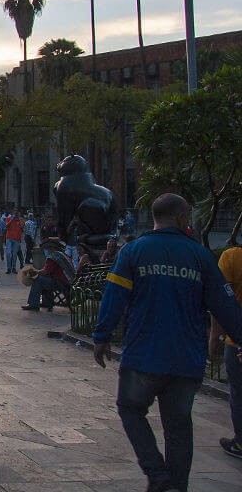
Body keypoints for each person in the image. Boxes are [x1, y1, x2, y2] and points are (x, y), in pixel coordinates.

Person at [93, 193, 242, 492]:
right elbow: (225, 305)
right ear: (182, 216)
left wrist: (101, 337)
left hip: (143, 356)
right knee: (178, 426)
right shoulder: (200, 257)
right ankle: (176, 486)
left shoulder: (133, 251)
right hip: (186, 360)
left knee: (130, 409)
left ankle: (158, 478)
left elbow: (114, 297)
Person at [211, 244, 242, 460]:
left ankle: (240, 442)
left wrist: (214, 336)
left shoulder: (232, 257)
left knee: (239, 393)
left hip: (237, 340)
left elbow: (221, 300)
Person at [21, 238, 70, 312]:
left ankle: (33, 304)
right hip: (65, 281)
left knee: (37, 280)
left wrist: (35, 272)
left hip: (60, 282)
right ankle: (47, 302)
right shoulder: (62, 255)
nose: (47, 250)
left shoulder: (53, 257)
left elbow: (46, 271)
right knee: (43, 279)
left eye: (48, 248)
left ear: (52, 248)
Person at [3, 209, 24, 275]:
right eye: (14, 211)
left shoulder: (21, 219)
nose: (16, 212)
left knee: (14, 254)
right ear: (12, 212)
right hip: (9, 238)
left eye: (17, 211)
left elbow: (22, 226)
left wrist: (19, 219)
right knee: (8, 253)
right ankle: (8, 268)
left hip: (17, 239)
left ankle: (13, 268)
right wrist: (11, 219)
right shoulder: (8, 218)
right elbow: (6, 226)